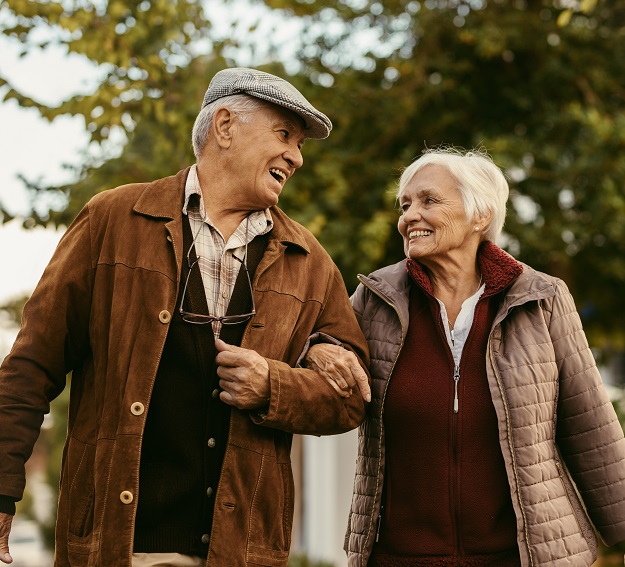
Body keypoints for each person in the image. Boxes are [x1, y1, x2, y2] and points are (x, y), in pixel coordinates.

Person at [0, 67, 371, 567]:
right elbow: (30, 365)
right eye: (284, 135)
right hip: (119, 549)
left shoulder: (310, 262)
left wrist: (274, 387)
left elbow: (351, 400)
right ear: (225, 126)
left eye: (300, 145)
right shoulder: (112, 219)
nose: (297, 157)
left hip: (239, 556)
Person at [313, 147, 625, 566]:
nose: (409, 217)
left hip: (521, 556)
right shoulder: (376, 299)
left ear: (481, 216)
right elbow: (324, 350)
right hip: (400, 557)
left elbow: (589, 421)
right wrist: (316, 349)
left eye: (428, 200)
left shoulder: (541, 299)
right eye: (405, 205)